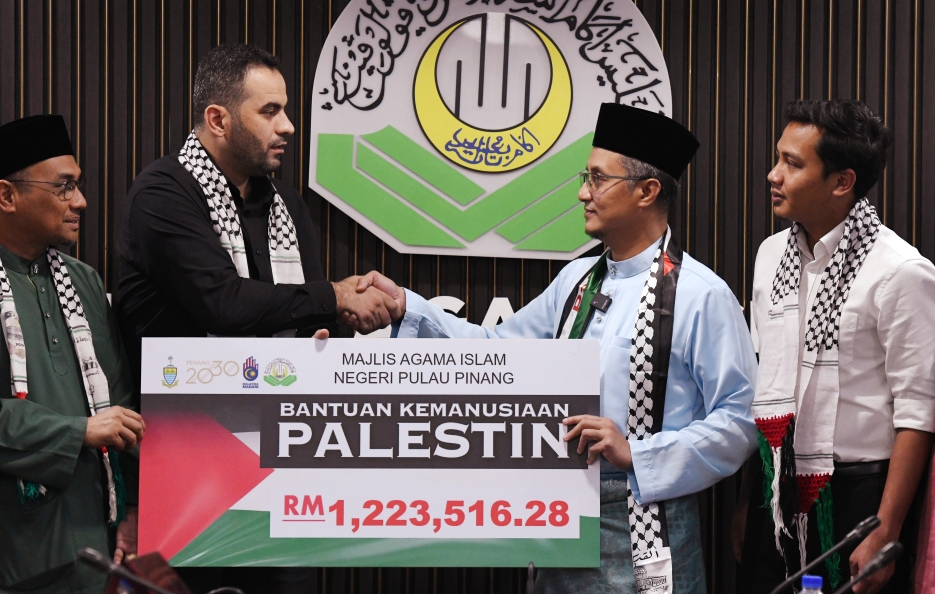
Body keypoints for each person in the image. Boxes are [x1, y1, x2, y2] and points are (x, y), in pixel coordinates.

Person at [356, 103, 759, 592]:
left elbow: (739, 419)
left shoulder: (701, 294)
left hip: (649, 520)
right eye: (585, 177)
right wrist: (407, 307)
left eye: (598, 179)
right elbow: (496, 353)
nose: (583, 193)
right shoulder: (575, 281)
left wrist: (638, 453)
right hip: (563, 514)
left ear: (647, 191)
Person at [117, 43, 402, 593]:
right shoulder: (163, 193)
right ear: (218, 119)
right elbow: (223, 304)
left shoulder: (286, 206)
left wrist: (331, 325)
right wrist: (333, 296)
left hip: (281, 461)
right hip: (189, 462)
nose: (288, 126)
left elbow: (310, 312)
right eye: (270, 111)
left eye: (285, 110)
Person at [0, 115, 143, 593]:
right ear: (7, 196)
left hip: (92, 539)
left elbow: (120, 406)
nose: (80, 201)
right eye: (64, 187)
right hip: (0, 550)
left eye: (77, 185)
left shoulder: (83, 281)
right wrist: (78, 431)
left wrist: (131, 508)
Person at [738, 100, 935, 593]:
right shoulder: (770, 256)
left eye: (792, 163)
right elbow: (764, 383)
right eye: (778, 158)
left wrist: (886, 529)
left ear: (842, 182)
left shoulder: (900, 271)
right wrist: (749, 502)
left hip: (859, 494)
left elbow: (918, 412)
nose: (773, 175)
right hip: (775, 485)